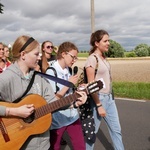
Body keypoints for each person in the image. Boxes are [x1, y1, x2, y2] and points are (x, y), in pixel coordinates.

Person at [0, 35, 87, 150]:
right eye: (36, 54)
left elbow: (53, 103)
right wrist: (14, 111)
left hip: (43, 145)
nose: (39, 57)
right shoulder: (6, 78)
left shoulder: (40, 79)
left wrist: (74, 103)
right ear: (23, 55)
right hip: (19, 144)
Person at [85, 30, 124, 150]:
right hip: (99, 98)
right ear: (96, 43)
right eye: (105, 41)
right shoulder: (92, 59)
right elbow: (91, 86)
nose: (108, 43)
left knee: (116, 130)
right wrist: (99, 105)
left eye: (109, 40)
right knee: (92, 133)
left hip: (109, 98)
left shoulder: (104, 58)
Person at [46, 41, 86, 150]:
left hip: (72, 115)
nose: (74, 60)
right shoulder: (51, 71)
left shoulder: (68, 70)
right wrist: (68, 84)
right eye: (73, 57)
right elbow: (53, 99)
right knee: (55, 147)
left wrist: (79, 90)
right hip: (58, 118)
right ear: (63, 54)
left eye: (76, 58)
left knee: (80, 147)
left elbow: (70, 93)